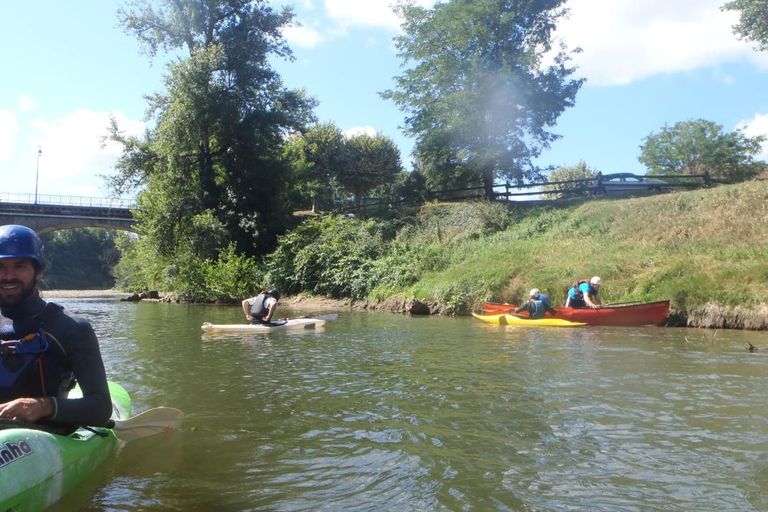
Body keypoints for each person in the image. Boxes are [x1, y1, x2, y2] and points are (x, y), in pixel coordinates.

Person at [0, 225, 111, 433]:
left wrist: (44, 406)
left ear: (38, 271)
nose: (7, 276)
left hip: (47, 437)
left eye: (19, 266)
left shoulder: (72, 328)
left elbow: (101, 408)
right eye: (1, 266)